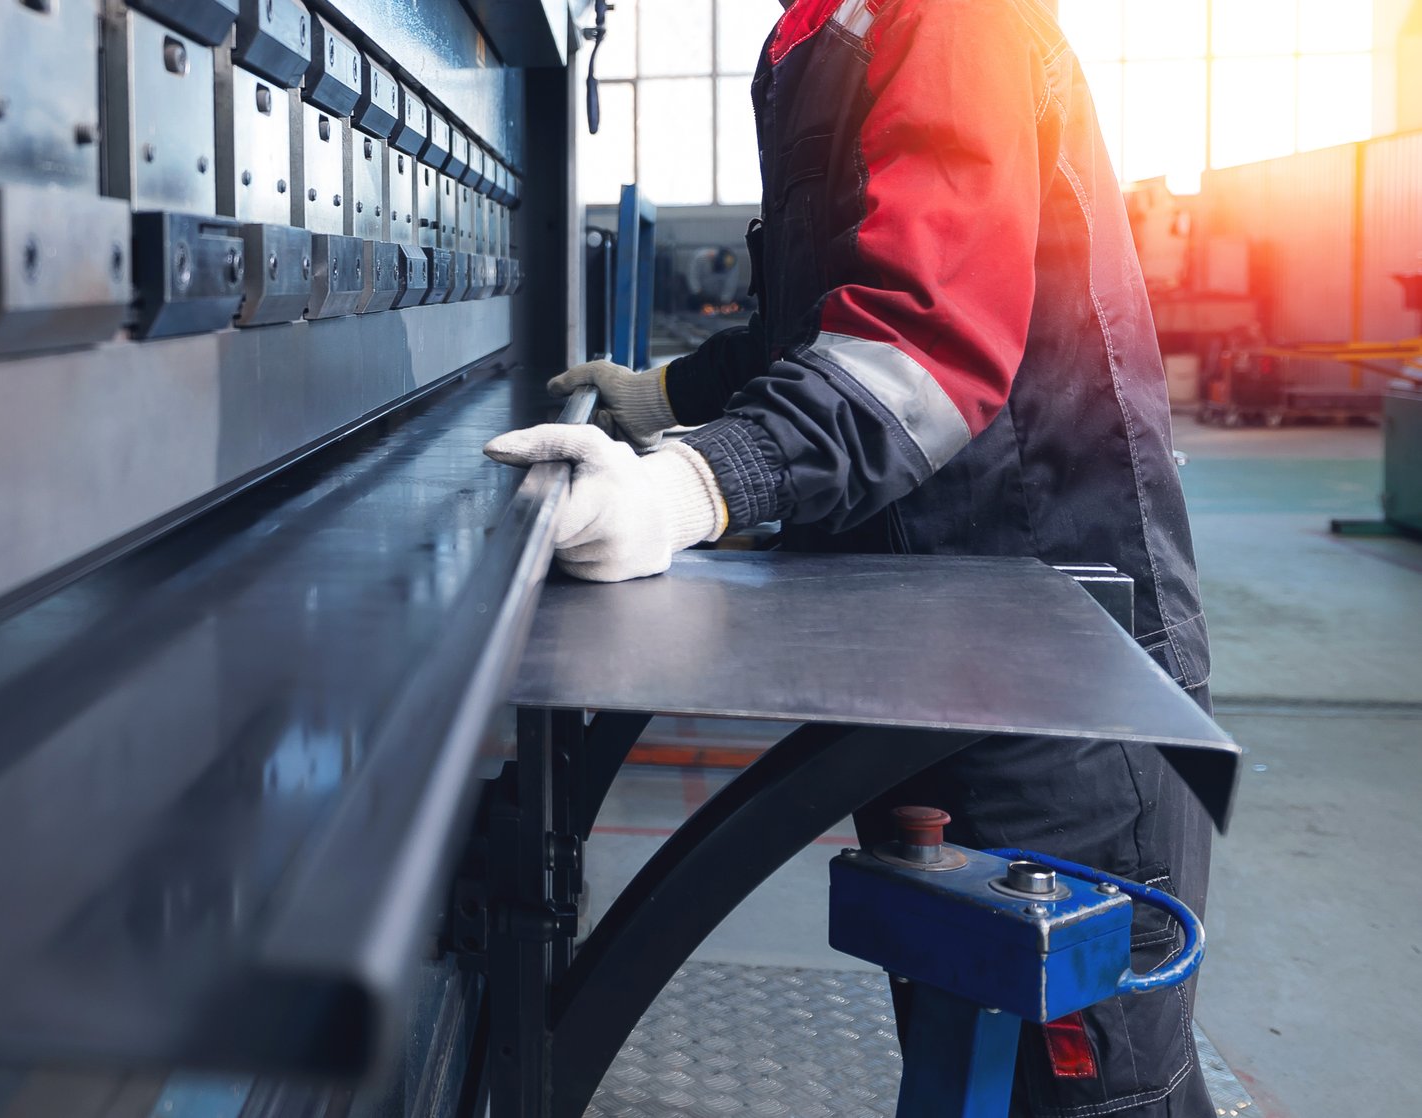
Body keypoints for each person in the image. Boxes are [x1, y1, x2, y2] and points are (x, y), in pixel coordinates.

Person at [482, 0, 1216, 1113]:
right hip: (927, 636)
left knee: (1085, 1083)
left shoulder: (948, 18)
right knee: (958, 1039)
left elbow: (923, 343)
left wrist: (696, 483)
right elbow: (819, 320)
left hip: (1053, 663)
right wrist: (670, 394)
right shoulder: (815, 41)